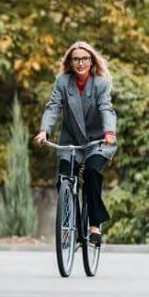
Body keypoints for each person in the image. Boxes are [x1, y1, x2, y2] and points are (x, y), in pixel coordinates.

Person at [34, 41, 117, 245]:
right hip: (71, 141)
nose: (80, 63)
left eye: (85, 59)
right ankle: (71, 226)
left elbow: (106, 108)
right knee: (64, 179)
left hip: (98, 141)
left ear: (91, 61)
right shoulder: (63, 82)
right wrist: (44, 131)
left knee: (91, 172)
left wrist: (109, 132)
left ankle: (94, 225)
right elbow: (53, 106)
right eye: (76, 59)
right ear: (70, 62)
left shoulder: (100, 84)